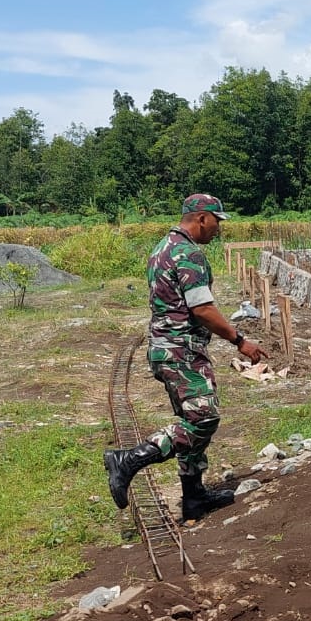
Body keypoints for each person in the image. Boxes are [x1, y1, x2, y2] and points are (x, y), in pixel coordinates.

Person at [105, 194, 267, 523]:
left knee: (190, 418)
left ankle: (194, 498)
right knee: (203, 419)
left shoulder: (161, 247)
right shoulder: (188, 253)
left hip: (165, 348)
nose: (218, 229)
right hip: (182, 351)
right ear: (202, 218)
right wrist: (240, 341)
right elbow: (202, 309)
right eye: (216, 222)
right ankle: (129, 460)